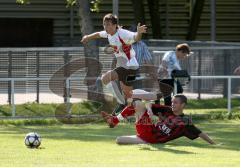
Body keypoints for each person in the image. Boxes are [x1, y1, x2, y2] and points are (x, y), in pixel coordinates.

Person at [81, 13, 160, 114]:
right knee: (130, 95)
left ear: (115, 25)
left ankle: (121, 103)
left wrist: (139, 32)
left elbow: (136, 38)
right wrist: (87, 37)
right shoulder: (108, 33)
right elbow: (97, 34)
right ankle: (153, 96)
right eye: (104, 24)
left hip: (129, 66)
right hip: (128, 67)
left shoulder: (123, 33)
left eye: (108, 24)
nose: (106, 27)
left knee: (105, 78)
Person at [101, 94, 215, 145]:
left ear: (183, 105)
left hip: (153, 139)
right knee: (137, 102)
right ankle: (114, 121)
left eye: (175, 102)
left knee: (119, 139)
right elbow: (148, 103)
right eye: (172, 102)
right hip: (149, 131)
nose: (172, 104)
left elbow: (200, 133)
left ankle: (115, 121)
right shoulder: (167, 110)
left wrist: (213, 143)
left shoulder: (184, 122)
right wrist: (150, 109)